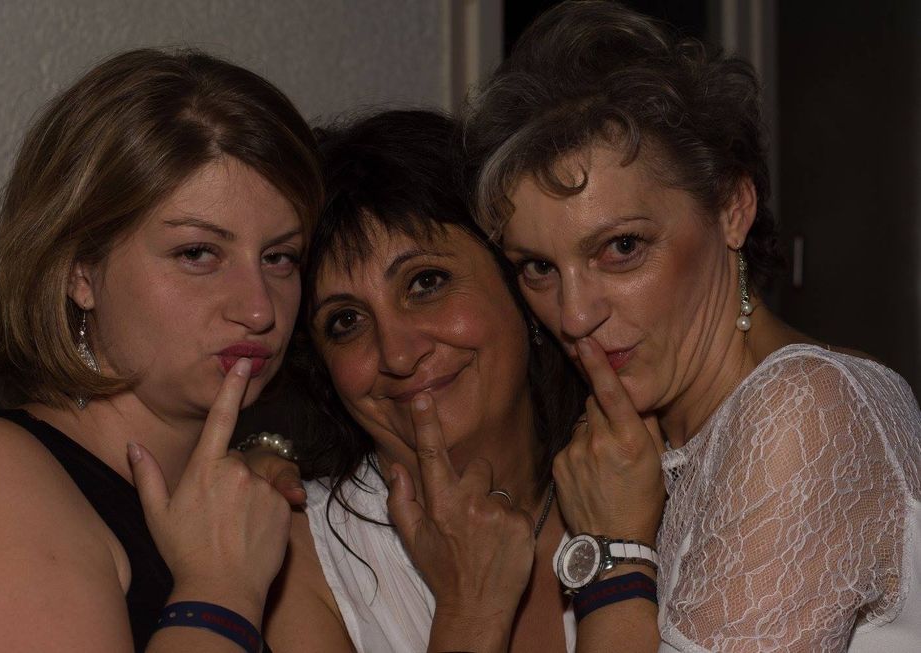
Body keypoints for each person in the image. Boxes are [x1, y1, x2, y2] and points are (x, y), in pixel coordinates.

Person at [462, 1, 921, 651]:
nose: (574, 314)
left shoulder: (803, 410)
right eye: (538, 266)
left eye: (622, 247)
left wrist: (615, 553)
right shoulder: (627, 449)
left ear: (733, 207)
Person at [0, 48, 320, 652]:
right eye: (197, 253)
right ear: (80, 271)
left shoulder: (259, 509)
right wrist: (219, 590)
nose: (259, 310)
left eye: (279, 257)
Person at [258, 109, 587, 652]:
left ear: (522, 286)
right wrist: (471, 610)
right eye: (346, 320)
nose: (398, 354)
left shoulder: (643, 483)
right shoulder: (299, 555)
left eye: (426, 283)